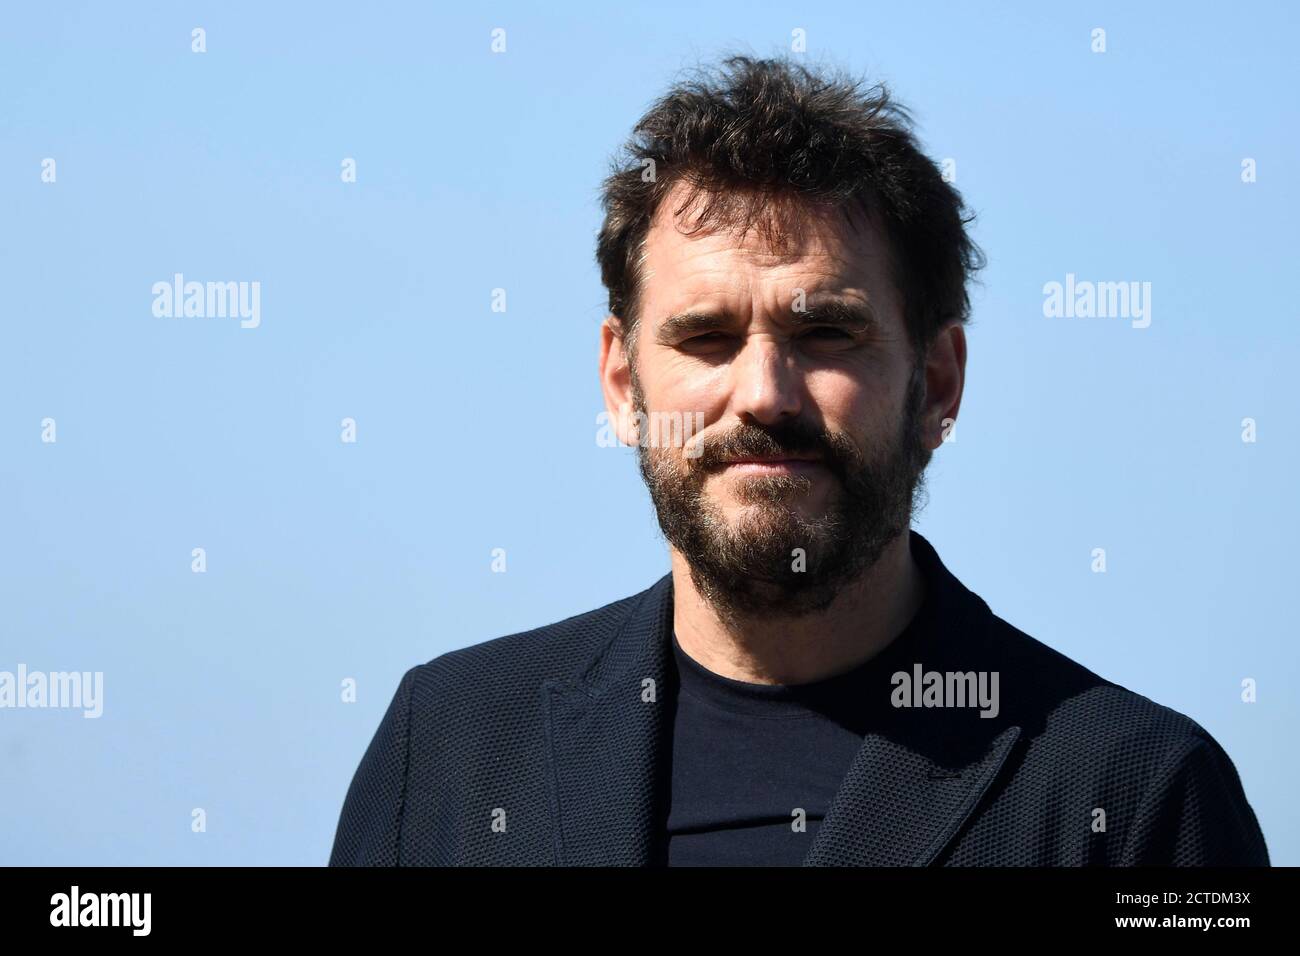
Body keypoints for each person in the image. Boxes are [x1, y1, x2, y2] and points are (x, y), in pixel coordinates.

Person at [329, 54, 1268, 866]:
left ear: (936, 383)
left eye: (826, 332)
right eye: (705, 337)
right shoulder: (449, 752)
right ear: (622, 383)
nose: (765, 395)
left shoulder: (1134, 797)